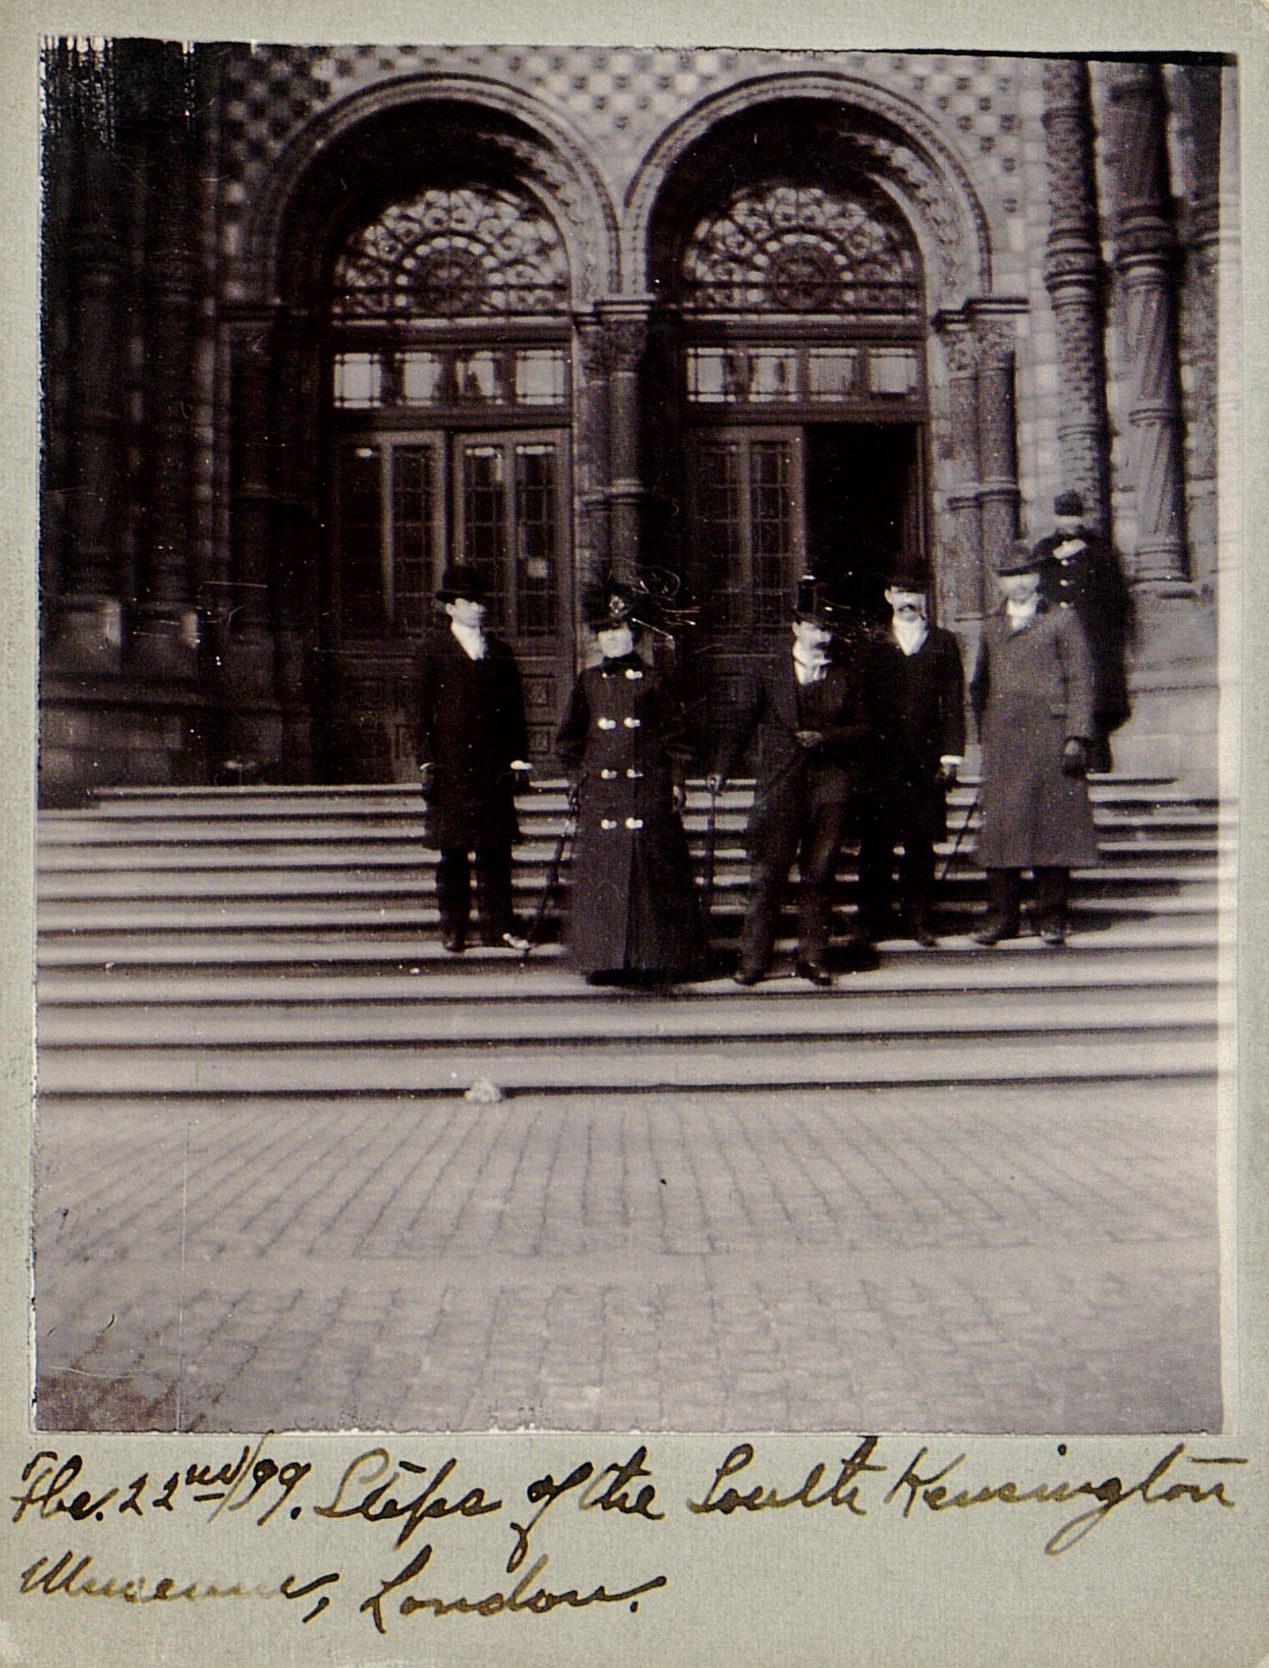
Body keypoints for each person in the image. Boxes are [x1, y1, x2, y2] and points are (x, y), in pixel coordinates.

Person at [709, 576, 876, 988]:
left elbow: (867, 728)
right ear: (796, 627)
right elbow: (742, 723)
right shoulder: (769, 671)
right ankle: (753, 961)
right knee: (767, 875)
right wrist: (722, 769)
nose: (821, 635)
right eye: (814, 626)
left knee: (819, 875)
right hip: (781, 786)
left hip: (829, 786)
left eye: (827, 628)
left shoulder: (845, 673)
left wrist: (828, 739)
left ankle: (813, 958)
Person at [554, 580, 703, 986]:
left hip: (646, 789)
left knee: (649, 872)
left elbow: (677, 737)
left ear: (634, 634)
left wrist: (676, 780)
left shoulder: (655, 680)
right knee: (606, 873)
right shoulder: (588, 682)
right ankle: (605, 959)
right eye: (605, 632)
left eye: (620, 630)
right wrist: (578, 777)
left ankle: (655, 959)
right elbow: (568, 739)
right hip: (604, 793)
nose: (612, 638)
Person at [969, 539, 1100, 948]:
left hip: (1051, 738)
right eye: (1010, 577)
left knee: (1052, 828)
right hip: (1006, 741)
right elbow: (979, 686)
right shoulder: (991, 626)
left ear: (1038, 577)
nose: (1019, 584)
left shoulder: (1062, 620)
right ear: (1000, 582)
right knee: (1003, 831)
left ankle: (1052, 916)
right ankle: (1003, 918)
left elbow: (1081, 679)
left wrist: (1076, 733)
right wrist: (987, 734)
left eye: (1025, 574)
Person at [415, 564, 531, 953]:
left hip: (493, 768)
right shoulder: (432, 651)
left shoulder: (498, 652)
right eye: (467, 602)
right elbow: (418, 712)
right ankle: (454, 927)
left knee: (496, 851)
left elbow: (515, 711)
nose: (477, 608)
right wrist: (427, 762)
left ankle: (499, 927)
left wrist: (518, 759)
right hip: (452, 768)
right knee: (453, 853)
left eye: (481, 601)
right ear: (450, 607)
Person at [855, 558, 966, 948]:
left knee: (920, 844)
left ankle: (919, 919)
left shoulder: (942, 642)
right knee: (876, 844)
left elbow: (953, 702)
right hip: (880, 761)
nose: (907, 600)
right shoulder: (872, 644)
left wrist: (951, 756)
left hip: (924, 760)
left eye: (914, 594)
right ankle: (872, 919)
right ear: (888, 597)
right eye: (900, 593)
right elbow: (860, 703)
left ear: (924, 598)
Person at [1031, 490, 1131, 773]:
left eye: (1073, 517)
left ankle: (1096, 761)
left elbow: (1116, 601)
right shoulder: (1043, 551)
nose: (1069, 524)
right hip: (1053, 641)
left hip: (1091, 641)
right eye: (1063, 517)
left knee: (1093, 700)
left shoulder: (1099, 551)